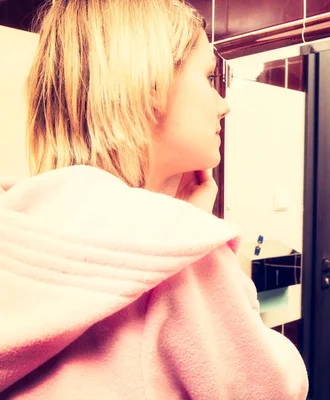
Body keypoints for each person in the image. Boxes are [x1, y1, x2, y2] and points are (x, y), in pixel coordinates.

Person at [0, 0, 308, 399]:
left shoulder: (20, 230)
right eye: (208, 77)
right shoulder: (179, 258)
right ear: (151, 87)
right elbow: (274, 388)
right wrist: (191, 238)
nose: (224, 104)